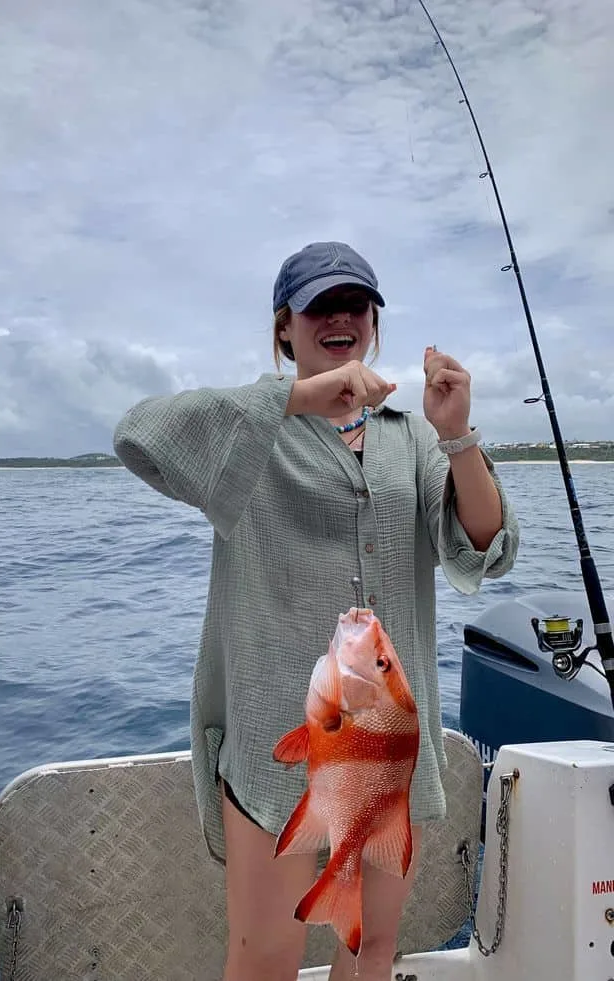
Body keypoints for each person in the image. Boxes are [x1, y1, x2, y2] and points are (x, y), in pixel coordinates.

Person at [113, 240, 520, 981]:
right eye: (319, 305)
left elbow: (486, 546)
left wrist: (457, 433)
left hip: (389, 750)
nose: (340, 318)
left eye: (355, 305)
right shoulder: (247, 432)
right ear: (285, 326)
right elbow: (139, 434)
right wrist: (300, 396)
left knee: (372, 947)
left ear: (373, 323)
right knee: (265, 954)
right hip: (279, 752)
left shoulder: (412, 438)